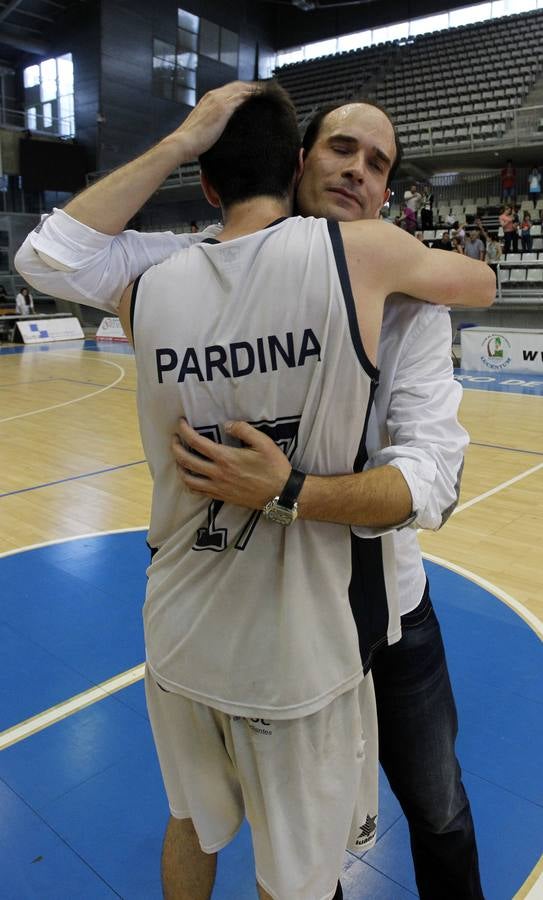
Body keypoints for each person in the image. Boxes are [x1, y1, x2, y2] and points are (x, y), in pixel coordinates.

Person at [14, 87, 494, 900]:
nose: (357, 171)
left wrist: (296, 490)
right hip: (274, 628)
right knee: (299, 857)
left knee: (437, 806)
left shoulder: (404, 287)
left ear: (386, 191)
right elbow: (45, 261)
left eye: (377, 164)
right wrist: (181, 142)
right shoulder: (186, 262)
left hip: (386, 610)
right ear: (300, 160)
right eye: (342, 149)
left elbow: (433, 482)